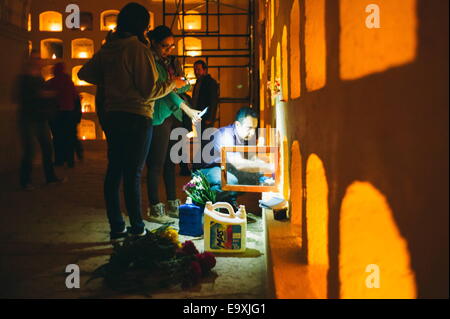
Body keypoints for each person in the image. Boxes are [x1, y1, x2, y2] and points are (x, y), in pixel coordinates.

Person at [77, 2, 187, 241]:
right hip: (137, 116)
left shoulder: (109, 48)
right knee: (134, 173)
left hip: (113, 116)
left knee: (114, 170)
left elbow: (83, 73)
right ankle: (137, 227)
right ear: (140, 25)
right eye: (146, 25)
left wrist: (110, 80)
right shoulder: (137, 49)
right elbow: (149, 90)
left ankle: (116, 226)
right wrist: (174, 84)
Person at [145, 25, 201, 223]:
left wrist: (179, 83)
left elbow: (182, 84)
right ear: (153, 43)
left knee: (171, 162)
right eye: (164, 46)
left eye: (171, 46)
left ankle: (172, 201)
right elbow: (167, 90)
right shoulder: (150, 61)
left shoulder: (169, 61)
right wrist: (186, 106)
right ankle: (154, 206)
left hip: (172, 115)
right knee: (156, 164)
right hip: (158, 116)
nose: (169, 49)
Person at [196, 107, 274, 209]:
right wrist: (269, 167)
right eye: (249, 128)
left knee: (255, 177)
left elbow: (252, 158)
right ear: (237, 124)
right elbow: (238, 164)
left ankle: (228, 201)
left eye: (255, 128)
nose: (252, 132)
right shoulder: (226, 135)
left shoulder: (246, 135)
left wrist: (265, 169)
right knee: (232, 181)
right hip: (206, 170)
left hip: (224, 168)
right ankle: (206, 201)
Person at [15, 50, 65, 190]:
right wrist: (43, 94)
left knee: (47, 148)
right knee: (29, 151)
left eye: (39, 58)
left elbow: (42, 93)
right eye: (35, 58)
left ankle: (50, 177)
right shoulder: (24, 78)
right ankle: (25, 181)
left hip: (40, 118)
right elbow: (22, 96)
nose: (38, 61)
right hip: (27, 118)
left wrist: (46, 95)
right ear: (29, 60)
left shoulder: (39, 77)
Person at [46, 62, 79, 168]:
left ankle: (59, 160)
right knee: (69, 138)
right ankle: (70, 161)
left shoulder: (51, 83)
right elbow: (75, 98)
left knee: (57, 138)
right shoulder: (69, 82)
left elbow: (48, 99)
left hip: (56, 114)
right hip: (69, 113)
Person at [191, 60, 219, 171]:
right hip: (198, 116)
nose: (196, 71)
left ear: (204, 70)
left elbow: (213, 101)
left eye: (198, 69)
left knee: (205, 140)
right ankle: (200, 164)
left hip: (205, 117)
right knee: (200, 140)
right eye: (195, 69)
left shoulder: (210, 82)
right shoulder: (199, 82)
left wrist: (210, 117)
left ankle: (203, 165)